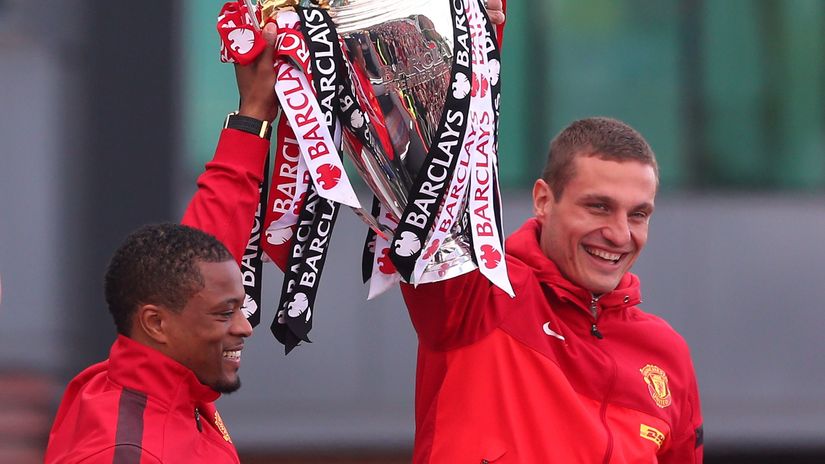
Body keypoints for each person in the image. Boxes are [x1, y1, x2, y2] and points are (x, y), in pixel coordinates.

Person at [401, 117, 704, 463]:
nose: (620, 235)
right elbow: (422, 174)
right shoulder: (480, 295)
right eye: (599, 207)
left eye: (637, 214)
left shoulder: (668, 354)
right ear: (544, 200)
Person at [44, 224, 253, 463]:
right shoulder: (127, 452)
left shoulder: (180, 388)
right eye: (226, 313)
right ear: (155, 323)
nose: (245, 328)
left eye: (241, 309)